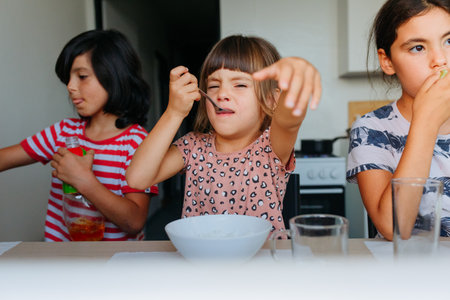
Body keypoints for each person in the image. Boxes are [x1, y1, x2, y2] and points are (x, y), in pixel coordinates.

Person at [126, 35, 321, 231]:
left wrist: (297, 79)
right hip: (203, 259)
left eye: (240, 85)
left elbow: (288, 120)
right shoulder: (193, 146)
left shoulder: (271, 146)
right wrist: (174, 112)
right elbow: (137, 179)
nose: (222, 94)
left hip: (262, 261)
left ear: (272, 99)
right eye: (213, 86)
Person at [0, 29, 158, 241]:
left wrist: (84, 181)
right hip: (62, 264)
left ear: (114, 76)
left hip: (114, 268)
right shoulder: (63, 132)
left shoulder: (138, 142)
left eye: (82, 76)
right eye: (68, 79)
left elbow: (134, 222)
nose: (71, 87)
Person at [346, 0, 450, 240]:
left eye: (449, 41)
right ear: (388, 61)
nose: (440, 60)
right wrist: (426, 120)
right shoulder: (371, 129)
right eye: (417, 48)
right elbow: (393, 227)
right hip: (407, 272)